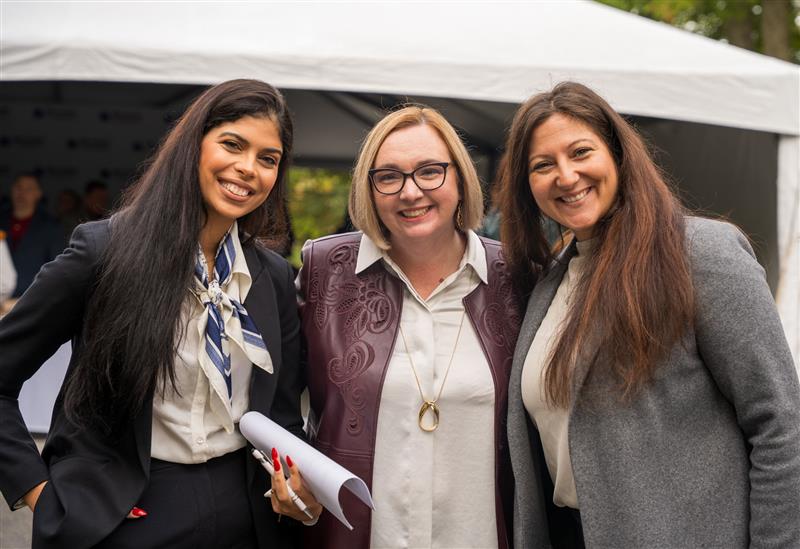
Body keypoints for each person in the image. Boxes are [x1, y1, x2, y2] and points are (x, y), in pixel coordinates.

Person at [0, 79, 320, 549]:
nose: (248, 168)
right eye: (232, 144)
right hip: (127, 512)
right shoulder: (103, 252)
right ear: (194, 145)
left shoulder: (272, 277)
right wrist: (41, 494)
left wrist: (300, 486)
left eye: (268, 159)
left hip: (246, 514)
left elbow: (284, 420)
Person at [497, 81, 800, 548]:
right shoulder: (549, 283)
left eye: (580, 152)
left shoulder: (701, 254)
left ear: (617, 154)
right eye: (543, 165)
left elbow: (781, 424)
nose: (566, 175)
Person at [298, 105, 521, 549]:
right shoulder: (326, 271)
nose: (410, 191)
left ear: (460, 179)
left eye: (430, 171)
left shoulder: (515, 277)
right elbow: (278, 407)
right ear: (369, 189)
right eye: (389, 177)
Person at [0, 173, 63, 297]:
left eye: (28, 189)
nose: (22, 193)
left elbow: (57, 269)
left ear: (38, 194)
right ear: (12, 190)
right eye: (18, 187)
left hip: (32, 298)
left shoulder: (50, 226)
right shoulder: (2, 220)